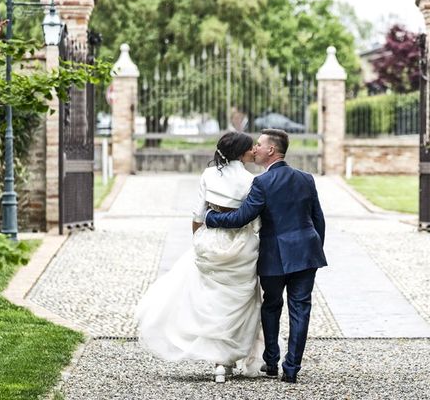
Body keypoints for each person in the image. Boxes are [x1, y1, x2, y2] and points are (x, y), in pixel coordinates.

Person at [135, 131, 264, 383]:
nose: (254, 151)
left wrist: (199, 241)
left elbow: (197, 214)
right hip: (241, 245)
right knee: (238, 302)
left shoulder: (208, 175)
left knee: (210, 300)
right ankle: (224, 360)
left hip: (211, 239)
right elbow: (255, 221)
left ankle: (218, 362)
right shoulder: (252, 180)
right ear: (241, 152)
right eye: (251, 148)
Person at [205, 128, 326, 384]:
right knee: (300, 309)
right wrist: (315, 249)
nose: (254, 148)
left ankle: (271, 362)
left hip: (274, 255)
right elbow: (318, 219)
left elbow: (241, 218)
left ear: (271, 150)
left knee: (271, 306)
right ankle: (291, 369)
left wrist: (210, 217)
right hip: (307, 252)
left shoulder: (262, 182)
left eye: (259, 144)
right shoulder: (306, 178)